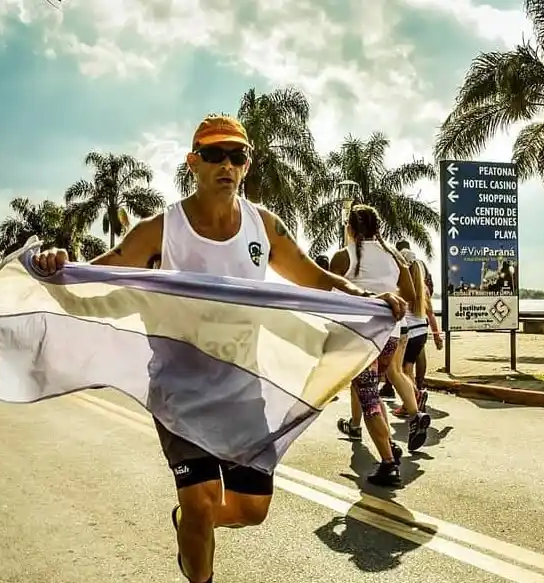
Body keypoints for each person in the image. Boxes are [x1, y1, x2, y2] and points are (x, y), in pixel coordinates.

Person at [31, 114, 406, 583]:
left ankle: (190, 522)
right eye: (213, 155)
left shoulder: (264, 226)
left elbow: (314, 278)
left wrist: (365, 297)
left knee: (250, 510)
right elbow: (98, 276)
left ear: (247, 165)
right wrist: (60, 266)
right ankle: (197, 543)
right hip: (179, 387)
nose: (226, 164)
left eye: (236, 155)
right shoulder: (158, 229)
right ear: (194, 163)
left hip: (242, 384)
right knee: (202, 497)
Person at [330, 206, 431, 457]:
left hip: (361, 336)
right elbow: (409, 294)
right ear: (378, 228)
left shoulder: (344, 256)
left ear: (350, 228)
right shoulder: (393, 257)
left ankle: (388, 462)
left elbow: (326, 293)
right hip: (392, 335)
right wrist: (386, 296)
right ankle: (391, 443)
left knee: (368, 397)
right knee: (373, 392)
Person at [391, 241, 442, 417]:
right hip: (422, 332)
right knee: (408, 369)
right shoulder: (423, 288)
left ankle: (415, 396)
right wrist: (437, 336)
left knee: (399, 372)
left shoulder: (399, 287)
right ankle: (411, 400)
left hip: (408, 333)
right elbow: (431, 314)